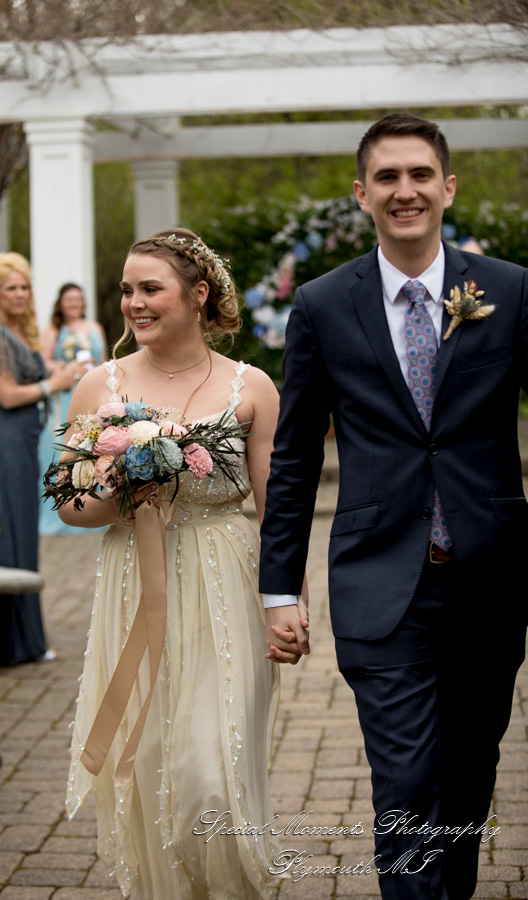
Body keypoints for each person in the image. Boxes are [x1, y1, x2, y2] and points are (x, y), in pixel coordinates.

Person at [259, 113, 528, 900]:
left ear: (448, 186)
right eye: (387, 177)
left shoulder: (509, 291)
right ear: (362, 194)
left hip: (490, 576)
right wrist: (281, 588)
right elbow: (298, 454)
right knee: (407, 780)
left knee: (472, 771)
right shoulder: (320, 303)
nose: (404, 190)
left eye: (419, 174)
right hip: (380, 581)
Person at [61, 228, 281, 900]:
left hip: (224, 580)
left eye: (150, 288)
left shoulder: (254, 387)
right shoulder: (101, 384)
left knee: (212, 772)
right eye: (127, 290)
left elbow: (278, 511)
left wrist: (286, 604)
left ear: (199, 294)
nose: (134, 302)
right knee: (150, 760)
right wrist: (119, 480)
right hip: (134, 576)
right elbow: (70, 504)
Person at [0, 253, 85, 665]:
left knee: (22, 533)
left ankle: (26, 639)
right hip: (7, 442)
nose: (19, 294)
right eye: (10, 287)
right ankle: (12, 641)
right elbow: (6, 394)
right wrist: (55, 383)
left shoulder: (17, 332)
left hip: (23, 442)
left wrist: (59, 370)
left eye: (24, 286)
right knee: (10, 532)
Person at [39, 282, 107, 534]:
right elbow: (43, 361)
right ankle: (57, 513)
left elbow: (103, 362)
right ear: (61, 303)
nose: (74, 303)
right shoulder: (54, 330)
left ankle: (92, 506)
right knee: (63, 447)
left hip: (91, 394)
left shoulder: (94, 327)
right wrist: (63, 369)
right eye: (69, 299)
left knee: (92, 446)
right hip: (67, 395)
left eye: (78, 299)